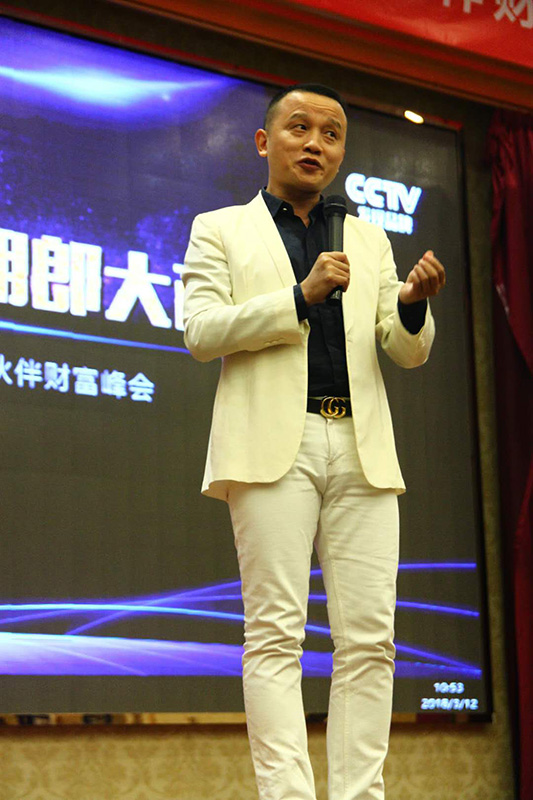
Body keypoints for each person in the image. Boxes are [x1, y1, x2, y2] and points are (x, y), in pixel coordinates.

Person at [182, 83, 446, 800]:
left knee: (371, 641)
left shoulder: (367, 236)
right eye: (299, 128)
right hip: (275, 446)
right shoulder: (220, 229)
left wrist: (411, 306)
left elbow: (404, 349)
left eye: (331, 134)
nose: (315, 143)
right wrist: (299, 296)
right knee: (275, 635)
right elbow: (200, 331)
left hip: (362, 448)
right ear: (264, 142)